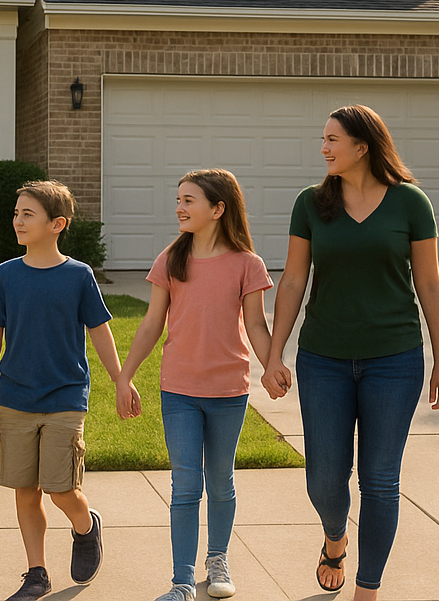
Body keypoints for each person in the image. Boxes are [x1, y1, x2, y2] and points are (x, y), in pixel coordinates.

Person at [260, 104, 439, 599]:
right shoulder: (311, 202)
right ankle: (334, 536)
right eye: (323, 139)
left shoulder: (411, 203)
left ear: (362, 146)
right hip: (324, 358)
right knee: (324, 479)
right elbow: (294, 279)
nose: (322, 148)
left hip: (395, 359)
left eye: (331, 140)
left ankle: (367, 588)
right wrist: (273, 353)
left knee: (380, 480)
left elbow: (429, 285)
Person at [115, 169, 274, 601]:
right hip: (180, 389)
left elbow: (257, 324)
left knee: (220, 480)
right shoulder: (171, 258)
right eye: (179, 199)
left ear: (218, 209)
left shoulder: (247, 264)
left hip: (229, 390)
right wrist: (124, 376)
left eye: (189, 200)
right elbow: (152, 325)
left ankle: (217, 559)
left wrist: (272, 364)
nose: (179, 207)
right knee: (186, 484)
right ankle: (182, 580)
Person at [0, 180, 121, 601]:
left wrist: (119, 380)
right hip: (16, 398)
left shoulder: (78, 276)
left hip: (64, 397)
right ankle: (36, 573)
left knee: (60, 488)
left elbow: (100, 331)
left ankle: (85, 525)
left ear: (57, 224)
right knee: (25, 487)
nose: (18, 221)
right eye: (16, 213)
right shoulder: (6, 275)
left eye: (27, 214)